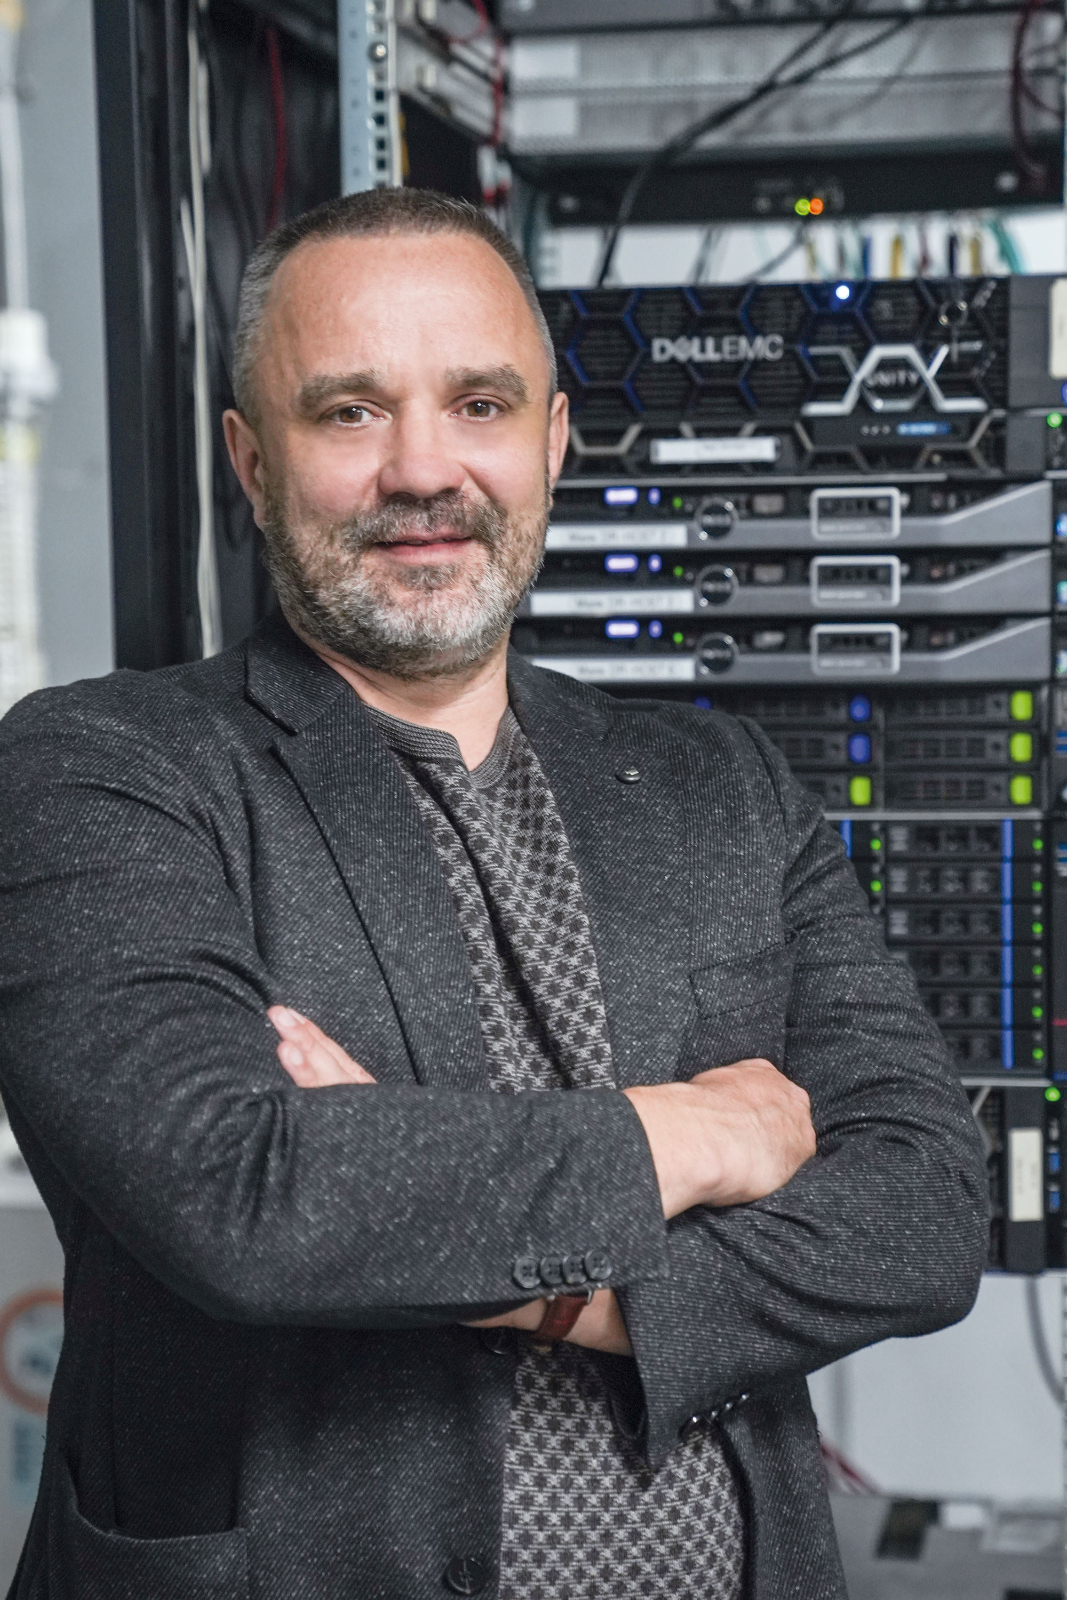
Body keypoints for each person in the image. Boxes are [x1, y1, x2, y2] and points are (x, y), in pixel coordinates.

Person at [0, 187, 986, 1600]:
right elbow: (245, 1195)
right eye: (350, 412)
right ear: (252, 462)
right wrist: (698, 1133)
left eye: (479, 404)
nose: (423, 469)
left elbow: (926, 1209)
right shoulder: (106, 768)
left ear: (552, 440)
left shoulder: (717, 782)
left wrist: (521, 1273)